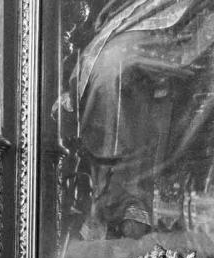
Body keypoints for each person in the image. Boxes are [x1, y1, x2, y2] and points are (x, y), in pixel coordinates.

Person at [59, 1, 214, 241]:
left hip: (192, 20)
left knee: (115, 67)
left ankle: (130, 202)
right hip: (143, 14)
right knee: (109, 69)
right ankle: (111, 199)